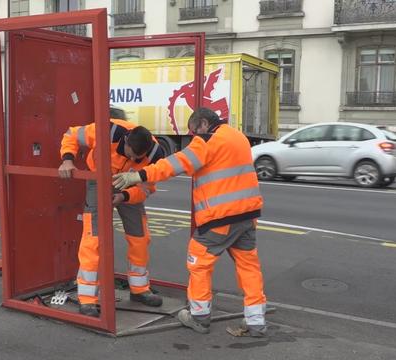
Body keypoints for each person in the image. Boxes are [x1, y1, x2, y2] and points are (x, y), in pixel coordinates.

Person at [112, 107, 268, 337]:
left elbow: (176, 163)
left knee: (199, 264)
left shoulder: (207, 141)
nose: (194, 136)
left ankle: (199, 317)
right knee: (249, 267)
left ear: (204, 124)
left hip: (219, 217)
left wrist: (138, 175)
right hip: (247, 216)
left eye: (194, 131)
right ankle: (256, 321)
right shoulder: (238, 136)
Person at [58, 109, 165, 318]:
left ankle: (140, 289)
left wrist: (125, 196)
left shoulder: (155, 155)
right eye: (130, 153)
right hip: (99, 180)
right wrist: (67, 159)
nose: (133, 159)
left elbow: (147, 188)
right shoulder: (108, 130)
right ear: (125, 140)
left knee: (140, 238)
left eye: (137, 158)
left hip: (129, 188)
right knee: (93, 238)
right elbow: (71, 134)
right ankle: (88, 298)